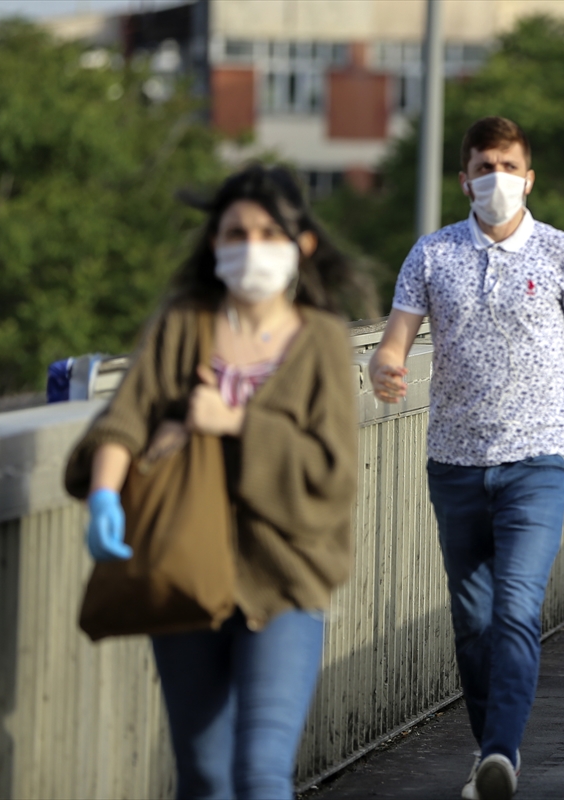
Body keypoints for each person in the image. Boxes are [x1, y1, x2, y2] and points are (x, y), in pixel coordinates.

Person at [64, 165, 364, 799]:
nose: (250, 247)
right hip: (185, 564)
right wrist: (103, 497)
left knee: (261, 773)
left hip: (286, 576)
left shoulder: (323, 342)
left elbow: (332, 470)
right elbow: (125, 417)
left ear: (301, 244)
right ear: (213, 244)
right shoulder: (185, 324)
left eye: (266, 232)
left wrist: (233, 423)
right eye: (235, 233)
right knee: (204, 776)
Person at [368, 117, 564, 800]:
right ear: (464, 179)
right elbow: (394, 340)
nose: (498, 178)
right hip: (454, 464)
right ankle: (490, 754)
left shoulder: (562, 253)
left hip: (537, 462)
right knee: (473, 620)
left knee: (516, 607)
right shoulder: (432, 255)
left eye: (509, 165)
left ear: (530, 176)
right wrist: (386, 367)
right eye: (485, 166)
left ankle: (502, 754)